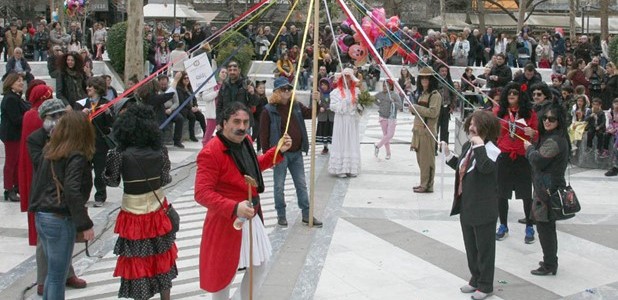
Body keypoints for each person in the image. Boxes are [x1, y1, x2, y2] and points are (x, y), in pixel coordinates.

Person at [195, 102, 293, 299]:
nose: (242, 126)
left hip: (251, 215)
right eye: (236, 121)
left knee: (259, 265)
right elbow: (202, 193)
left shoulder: (246, 140)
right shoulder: (210, 152)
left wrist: (278, 151)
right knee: (223, 275)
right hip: (225, 220)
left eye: (245, 122)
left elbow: (253, 168)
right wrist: (233, 207)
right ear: (223, 123)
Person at [104, 104, 177, 299]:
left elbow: (111, 181)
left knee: (138, 259)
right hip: (158, 209)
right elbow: (165, 179)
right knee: (162, 256)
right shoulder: (160, 150)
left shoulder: (119, 153)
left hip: (132, 214)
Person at [28, 110, 96, 299]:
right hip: (59, 217)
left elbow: (38, 183)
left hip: (43, 214)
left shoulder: (50, 150)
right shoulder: (76, 155)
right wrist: (85, 223)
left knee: (53, 274)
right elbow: (72, 190)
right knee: (58, 276)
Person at [442, 110, 501, 300]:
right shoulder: (470, 145)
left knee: (485, 248)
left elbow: (485, 169)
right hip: (467, 205)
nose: (470, 127)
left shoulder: (491, 150)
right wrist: (449, 156)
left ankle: (486, 285)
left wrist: (480, 146)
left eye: (475, 124)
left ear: (485, 127)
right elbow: (464, 168)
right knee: (471, 246)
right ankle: (475, 279)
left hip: (484, 207)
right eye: (470, 123)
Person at [259, 77, 323, 227]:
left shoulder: (296, 105)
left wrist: (316, 101)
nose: (287, 92)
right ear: (276, 92)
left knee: (301, 184)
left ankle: (306, 214)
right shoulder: (268, 110)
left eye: (289, 89)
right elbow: (263, 135)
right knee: (279, 186)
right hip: (279, 155)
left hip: (296, 153)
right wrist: (268, 157)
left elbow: (310, 114)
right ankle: (281, 215)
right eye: (283, 89)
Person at [524, 104, 569, 276]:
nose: (547, 121)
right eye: (545, 118)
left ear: (559, 121)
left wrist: (529, 149)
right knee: (546, 226)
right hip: (546, 187)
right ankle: (550, 261)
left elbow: (538, 159)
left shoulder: (555, 140)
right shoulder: (552, 137)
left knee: (545, 227)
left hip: (547, 190)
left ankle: (550, 264)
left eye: (552, 119)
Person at [494, 82, 538, 243]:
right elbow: (494, 132)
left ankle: (529, 225)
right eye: (509, 92)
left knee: (526, 193)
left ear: (520, 96)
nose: (511, 95)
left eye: (515, 92)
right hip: (504, 156)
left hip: (522, 157)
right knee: (501, 193)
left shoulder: (529, 114)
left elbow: (537, 134)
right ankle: (503, 225)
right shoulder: (500, 112)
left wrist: (533, 132)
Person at [75, 76, 114, 207]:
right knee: (84, 172)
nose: (87, 88)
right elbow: (74, 123)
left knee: (99, 171)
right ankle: (83, 196)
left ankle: (100, 196)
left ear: (97, 88)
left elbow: (111, 124)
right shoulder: (80, 104)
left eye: (90, 87)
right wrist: (81, 114)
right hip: (84, 143)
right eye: (87, 86)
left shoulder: (106, 103)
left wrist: (108, 112)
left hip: (100, 144)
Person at [410, 67, 442, 193]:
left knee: (427, 160)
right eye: (422, 77)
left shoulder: (435, 95)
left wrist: (416, 108)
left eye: (427, 78)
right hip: (418, 131)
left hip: (427, 132)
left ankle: (428, 185)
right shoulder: (422, 93)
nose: (424, 80)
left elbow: (433, 112)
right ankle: (423, 182)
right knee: (420, 160)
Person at [0, 73, 29, 202]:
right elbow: (16, 119)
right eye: (18, 81)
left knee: (17, 162)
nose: (21, 83)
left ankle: (16, 186)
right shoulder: (10, 99)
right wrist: (30, 116)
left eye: (22, 81)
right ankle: (8, 188)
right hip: (12, 135)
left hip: (17, 134)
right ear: (11, 83)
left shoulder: (16, 97)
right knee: (11, 162)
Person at [329, 68, 362, 178]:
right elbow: (333, 107)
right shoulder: (335, 92)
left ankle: (351, 167)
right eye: (344, 77)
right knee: (341, 141)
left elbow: (361, 108)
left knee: (351, 141)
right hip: (341, 121)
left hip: (351, 121)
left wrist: (358, 104)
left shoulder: (357, 92)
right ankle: (340, 168)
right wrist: (344, 102)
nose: (346, 80)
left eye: (348, 77)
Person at [216, 61, 258, 125]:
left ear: (239, 70)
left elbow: (255, 103)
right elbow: (219, 105)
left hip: (243, 123)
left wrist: (252, 94)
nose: (232, 72)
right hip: (228, 122)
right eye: (230, 70)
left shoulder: (247, 84)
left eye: (235, 70)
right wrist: (218, 122)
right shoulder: (224, 85)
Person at [197, 68, 227, 146]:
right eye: (222, 72)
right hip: (212, 114)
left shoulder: (227, 85)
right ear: (218, 73)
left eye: (225, 73)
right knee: (208, 134)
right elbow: (205, 97)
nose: (224, 74)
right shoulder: (211, 84)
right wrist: (217, 92)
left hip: (223, 113)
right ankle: (204, 150)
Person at [374, 80, 402, 160]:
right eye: (383, 86)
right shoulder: (380, 94)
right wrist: (380, 105)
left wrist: (393, 103)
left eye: (387, 86)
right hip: (382, 117)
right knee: (385, 135)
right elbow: (373, 99)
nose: (385, 87)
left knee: (390, 135)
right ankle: (388, 153)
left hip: (392, 117)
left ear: (390, 86)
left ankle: (377, 146)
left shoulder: (394, 95)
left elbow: (400, 105)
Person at [176, 71, 207, 142]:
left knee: (201, 116)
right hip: (184, 109)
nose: (187, 79)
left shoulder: (190, 88)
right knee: (192, 117)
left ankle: (206, 133)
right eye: (185, 78)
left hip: (192, 108)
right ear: (181, 79)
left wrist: (195, 106)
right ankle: (192, 135)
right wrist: (191, 108)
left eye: (188, 78)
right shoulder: (179, 89)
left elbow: (194, 99)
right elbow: (182, 101)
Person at [316, 78, 334, 155]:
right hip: (322, 117)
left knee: (332, 132)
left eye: (325, 85)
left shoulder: (333, 93)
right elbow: (315, 104)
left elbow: (334, 104)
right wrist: (318, 106)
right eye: (322, 84)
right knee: (324, 132)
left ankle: (335, 148)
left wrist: (326, 108)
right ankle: (325, 147)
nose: (323, 86)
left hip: (331, 116)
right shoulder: (319, 94)